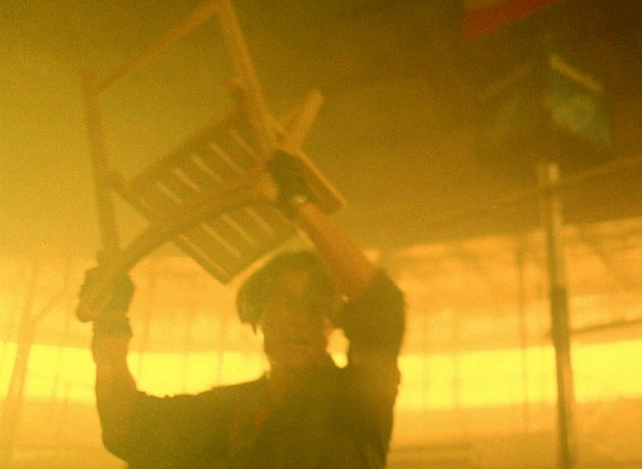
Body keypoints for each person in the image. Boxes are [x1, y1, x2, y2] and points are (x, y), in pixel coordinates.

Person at [85, 150, 405, 468]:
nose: (300, 319)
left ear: (331, 322)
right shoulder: (232, 411)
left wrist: (300, 204)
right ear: (258, 314)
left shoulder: (356, 401)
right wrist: (110, 322)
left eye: (315, 307)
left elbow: (380, 306)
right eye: (286, 303)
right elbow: (127, 426)